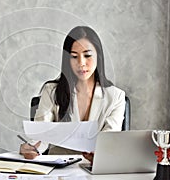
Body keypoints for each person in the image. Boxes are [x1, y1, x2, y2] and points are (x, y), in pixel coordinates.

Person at [20, 26, 126, 163]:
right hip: (57, 167)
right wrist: (31, 148)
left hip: (95, 168)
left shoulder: (116, 97)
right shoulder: (51, 91)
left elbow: (110, 141)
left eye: (87, 56)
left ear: (98, 57)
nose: (81, 63)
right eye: (74, 57)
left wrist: (99, 155)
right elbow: (42, 134)